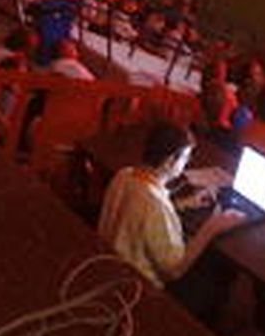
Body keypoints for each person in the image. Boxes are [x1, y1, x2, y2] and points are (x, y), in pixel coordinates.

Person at [98, 122, 245, 323]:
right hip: (140, 289)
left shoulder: (124, 174)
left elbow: (141, 213)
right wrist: (211, 228)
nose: (187, 163)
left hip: (111, 266)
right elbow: (174, 269)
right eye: (185, 158)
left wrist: (183, 203)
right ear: (169, 161)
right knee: (217, 267)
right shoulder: (154, 206)